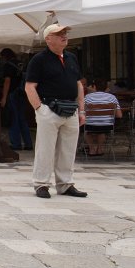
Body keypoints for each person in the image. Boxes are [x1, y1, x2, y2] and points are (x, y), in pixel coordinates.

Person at [25, 24, 87, 198]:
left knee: (68, 149)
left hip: (71, 109)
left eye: (65, 33)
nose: (64, 36)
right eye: (59, 33)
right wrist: (40, 109)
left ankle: (65, 184)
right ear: (48, 39)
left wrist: (81, 110)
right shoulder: (39, 59)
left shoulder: (71, 58)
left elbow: (78, 84)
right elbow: (30, 86)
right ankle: (41, 184)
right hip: (49, 108)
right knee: (45, 148)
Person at [0, 48, 32, 151]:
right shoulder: (21, 64)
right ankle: (28, 144)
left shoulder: (8, 65)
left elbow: (7, 81)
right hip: (22, 93)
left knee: (13, 118)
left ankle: (16, 144)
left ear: (5, 56)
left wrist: (4, 97)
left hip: (12, 93)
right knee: (22, 119)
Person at [82, 79, 122, 156]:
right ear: (106, 88)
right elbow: (119, 115)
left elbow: (82, 112)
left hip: (89, 126)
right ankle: (100, 149)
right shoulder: (112, 97)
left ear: (94, 87)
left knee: (86, 129)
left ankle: (92, 149)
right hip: (107, 126)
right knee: (101, 128)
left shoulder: (87, 97)